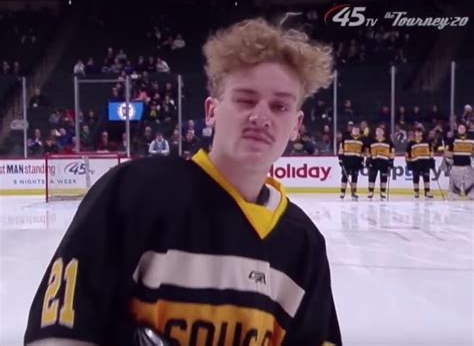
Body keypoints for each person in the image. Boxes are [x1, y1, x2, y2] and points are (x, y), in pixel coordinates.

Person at [24, 18, 342, 346]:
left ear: (296, 125)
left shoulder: (304, 245)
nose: (261, 116)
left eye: (279, 106)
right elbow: (59, 328)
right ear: (211, 111)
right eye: (245, 99)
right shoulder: (133, 194)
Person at [444, 123, 474, 200]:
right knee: (455, 181)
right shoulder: (452, 139)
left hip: (467, 165)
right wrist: (448, 158)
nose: (461, 129)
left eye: (462, 128)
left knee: (470, 180)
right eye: (459, 128)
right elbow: (447, 150)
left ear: (465, 129)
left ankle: (471, 194)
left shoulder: (471, 138)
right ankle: (453, 194)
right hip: (456, 165)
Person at [365, 126, 394, 200]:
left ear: (383, 132)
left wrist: (391, 161)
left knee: (383, 178)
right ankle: (370, 192)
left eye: (381, 131)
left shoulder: (389, 141)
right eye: (378, 131)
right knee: (372, 177)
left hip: (384, 162)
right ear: (375, 132)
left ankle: (382, 192)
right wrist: (368, 159)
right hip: (374, 162)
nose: (379, 132)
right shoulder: (371, 141)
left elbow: (392, 152)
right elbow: (368, 151)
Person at [405, 126, 435, 199]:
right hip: (415, 163)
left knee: (426, 177)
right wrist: (408, 162)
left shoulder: (427, 142)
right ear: (415, 133)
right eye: (416, 132)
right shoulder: (411, 143)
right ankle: (416, 192)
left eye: (419, 132)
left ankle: (427, 192)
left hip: (425, 162)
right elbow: (407, 154)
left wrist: (431, 160)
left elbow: (431, 151)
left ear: (422, 133)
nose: (418, 134)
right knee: (416, 177)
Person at [338, 124, 364, 200]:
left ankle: (354, 192)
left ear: (359, 131)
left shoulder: (361, 140)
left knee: (355, 177)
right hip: (347, 161)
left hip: (357, 161)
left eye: (357, 130)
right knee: (345, 176)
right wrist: (340, 159)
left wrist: (362, 161)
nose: (355, 131)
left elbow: (362, 151)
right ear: (352, 130)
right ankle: (342, 193)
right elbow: (341, 149)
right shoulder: (345, 138)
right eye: (354, 130)